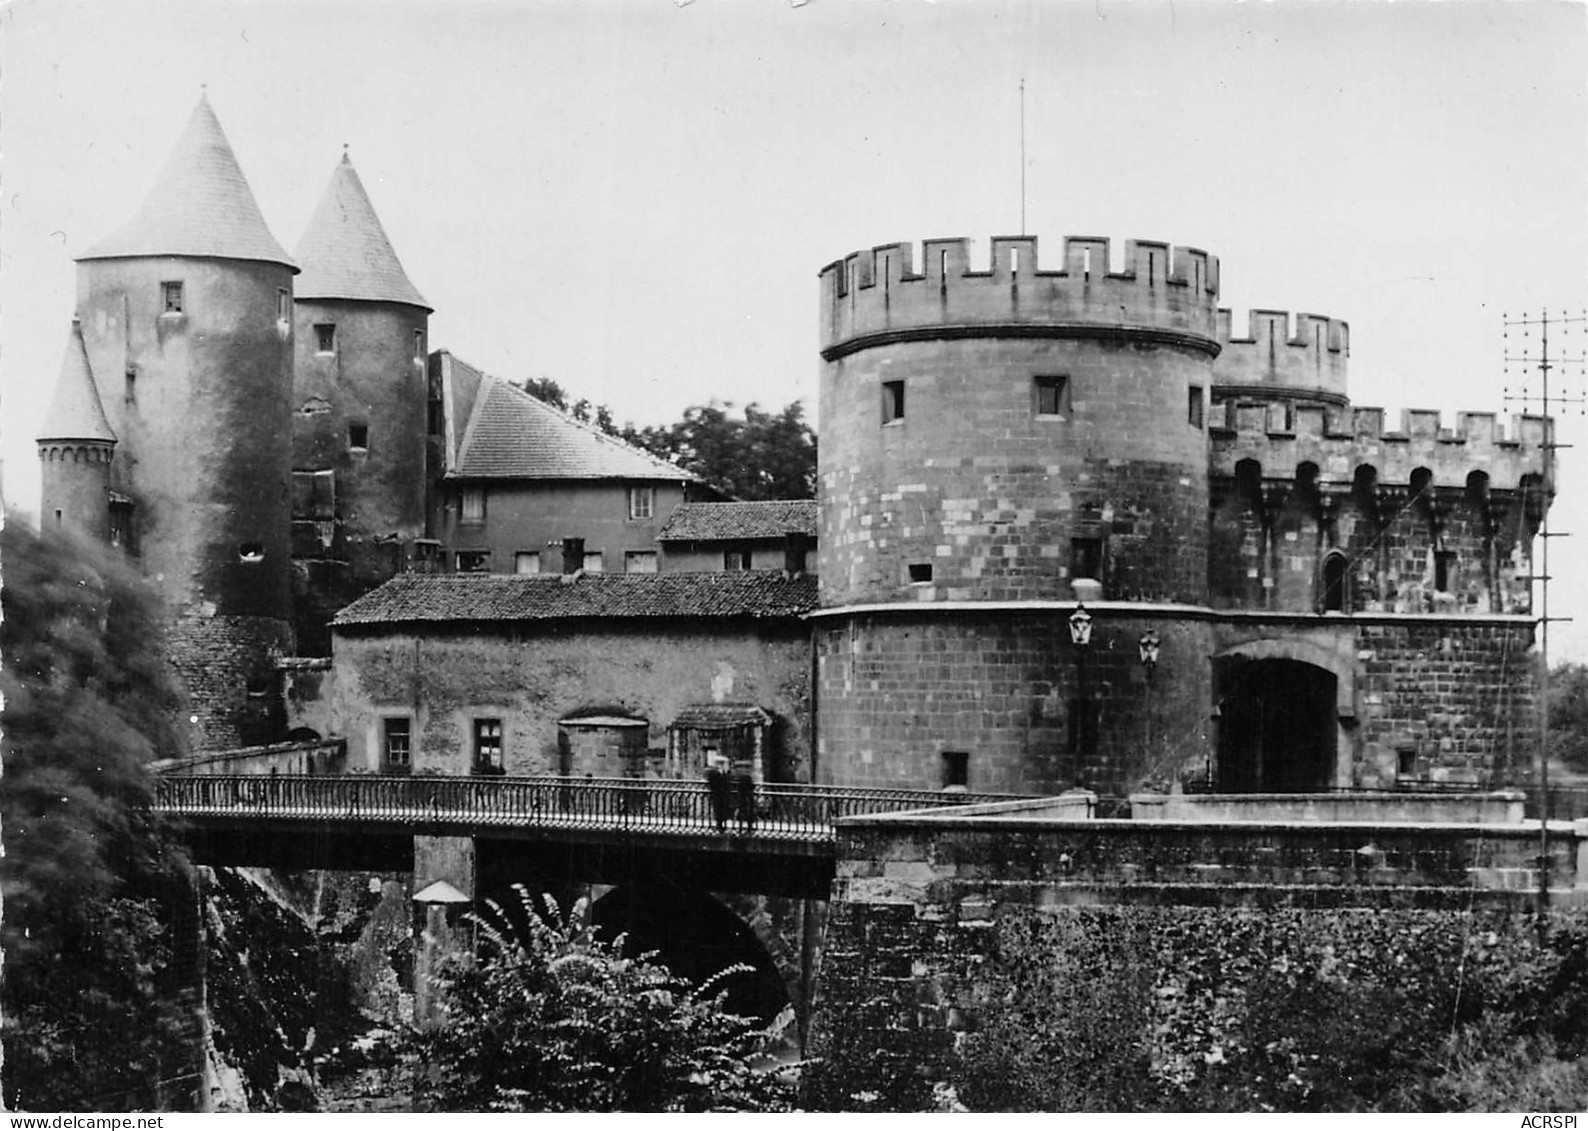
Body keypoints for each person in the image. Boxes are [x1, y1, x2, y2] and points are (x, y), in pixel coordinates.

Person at [704, 748, 731, 834]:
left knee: (723, 810)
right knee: (718, 810)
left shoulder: (723, 772)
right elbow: (713, 782)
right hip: (717, 793)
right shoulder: (713, 772)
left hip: (723, 794)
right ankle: (719, 825)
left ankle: (721, 825)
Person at [731, 757, 756, 835]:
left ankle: (740, 827)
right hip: (748, 797)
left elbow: (739, 788)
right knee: (748, 813)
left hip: (742, 797)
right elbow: (752, 786)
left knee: (741, 813)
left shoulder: (740, 779)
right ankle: (749, 827)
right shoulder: (748, 778)